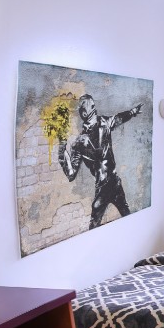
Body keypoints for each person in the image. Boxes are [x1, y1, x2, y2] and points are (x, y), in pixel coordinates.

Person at [58, 93, 143, 228]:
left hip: (115, 182)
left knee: (127, 216)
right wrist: (62, 149)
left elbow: (119, 118)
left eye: (92, 105)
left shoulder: (104, 122)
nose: (93, 107)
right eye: (88, 106)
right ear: (84, 113)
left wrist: (132, 112)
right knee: (94, 225)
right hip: (102, 187)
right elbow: (71, 173)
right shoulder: (79, 142)